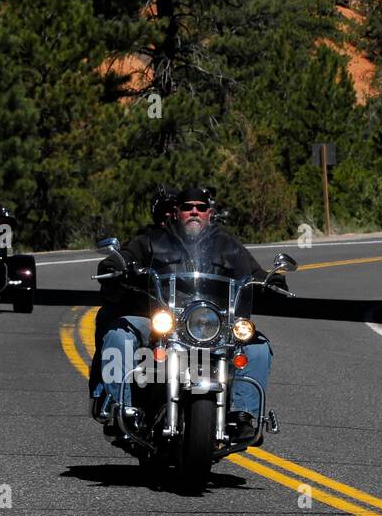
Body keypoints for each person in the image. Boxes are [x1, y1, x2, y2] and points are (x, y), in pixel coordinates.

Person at [91, 186, 276, 438]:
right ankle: (120, 406)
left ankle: (243, 415)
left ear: (209, 213)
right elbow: (127, 256)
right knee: (119, 333)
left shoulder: (227, 244)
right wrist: (117, 264)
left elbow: (252, 272)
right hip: (161, 320)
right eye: (188, 207)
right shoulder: (152, 240)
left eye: (200, 208)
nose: (194, 212)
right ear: (177, 212)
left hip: (211, 324)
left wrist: (270, 281)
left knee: (258, 346)